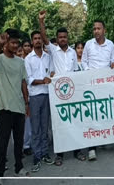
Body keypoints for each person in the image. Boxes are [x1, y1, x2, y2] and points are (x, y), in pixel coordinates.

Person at [39, 10, 86, 166]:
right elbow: (44, 38)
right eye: (60, 37)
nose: (62, 39)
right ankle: (59, 154)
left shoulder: (73, 52)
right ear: (57, 40)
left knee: (75, 121)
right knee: (59, 124)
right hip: (58, 93)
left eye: (65, 37)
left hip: (72, 93)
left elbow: (75, 72)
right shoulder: (53, 50)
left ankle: (77, 150)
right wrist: (41, 22)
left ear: (68, 38)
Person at [0, 28, 30, 184]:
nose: (15, 46)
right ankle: (0, 175)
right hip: (5, 109)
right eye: (12, 42)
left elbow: (23, 83)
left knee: (19, 141)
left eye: (16, 43)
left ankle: (19, 168)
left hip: (19, 107)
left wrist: (27, 103)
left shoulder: (21, 62)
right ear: (6, 42)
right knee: (3, 143)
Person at [82, 20, 114, 161]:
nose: (96, 31)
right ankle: (92, 148)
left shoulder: (110, 44)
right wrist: (88, 72)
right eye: (94, 29)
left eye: (99, 28)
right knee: (92, 115)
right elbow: (84, 61)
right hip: (92, 85)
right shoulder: (88, 44)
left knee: (106, 112)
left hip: (106, 85)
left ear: (104, 30)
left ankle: (105, 139)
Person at [24, 29, 55, 172]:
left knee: (45, 126)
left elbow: (52, 73)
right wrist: (42, 81)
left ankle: (44, 153)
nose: (37, 40)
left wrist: (51, 77)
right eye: (35, 38)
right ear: (32, 41)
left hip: (47, 94)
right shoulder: (28, 59)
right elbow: (29, 79)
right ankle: (37, 155)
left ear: (42, 41)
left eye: (39, 38)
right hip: (35, 96)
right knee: (35, 128)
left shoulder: (48, 57)